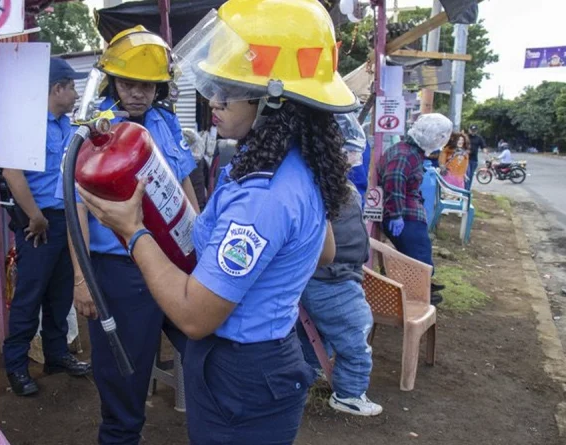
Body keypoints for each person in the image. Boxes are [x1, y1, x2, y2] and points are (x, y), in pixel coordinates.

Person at [75, 0, 353, 442]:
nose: (213, 102)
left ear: (273, 101)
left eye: (227, 91)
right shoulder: (291, 164)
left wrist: (133, 231)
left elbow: (193, 317)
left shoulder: (263, 196)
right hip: (266, 359)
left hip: (240, 371)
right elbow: (325, 251)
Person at [63, 26, 199, 443]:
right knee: (124, 378)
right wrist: (82, 281)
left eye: (148, 85)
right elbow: (75, 211)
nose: (138, 93)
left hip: (175, 263)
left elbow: (184, 184)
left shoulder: (165, 122)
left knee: (204, 347)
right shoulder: (91, 132)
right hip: (120, 273)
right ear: (111, 80)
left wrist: (203, 239)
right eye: (129, 83)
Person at [1, 58, 91, 397]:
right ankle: (17, 366)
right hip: (37, 222)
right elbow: (12, 173)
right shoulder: (26, 123)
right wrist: (34, 215)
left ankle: (56, 355)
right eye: (72, 86)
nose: (76, 93)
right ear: (57, 88)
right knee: (30, 296)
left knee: (59, 294)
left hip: (65, 219)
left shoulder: (67, 125)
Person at [297, 186, 382, 416]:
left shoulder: (319, 185)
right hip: (333, 279)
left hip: (319, 276)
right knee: (355, 334)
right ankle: (350, 394)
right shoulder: (325, 188)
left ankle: (311, 374)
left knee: (314, 331)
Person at [379, 113, 453, 305]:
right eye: (440, 136)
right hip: (404, 215)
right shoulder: (405, 154)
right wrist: (395, 215)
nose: (440, 141)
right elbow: (394, 182)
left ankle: (425, 286)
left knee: (420, 253)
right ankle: (420, 296)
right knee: (417, 257)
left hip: (408, 214)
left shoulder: (408, 151)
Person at [466, 124, 485, 189]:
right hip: (465, 159)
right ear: (469, 130)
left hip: (473, 160)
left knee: (470, 175)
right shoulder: (465, 137)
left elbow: (483, 147)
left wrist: (486, 154)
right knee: (466, 174)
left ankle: (467, 190)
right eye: (471, 130)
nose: (473, 132)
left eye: (474, 131)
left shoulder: (479, 138)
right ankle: (463, 189)